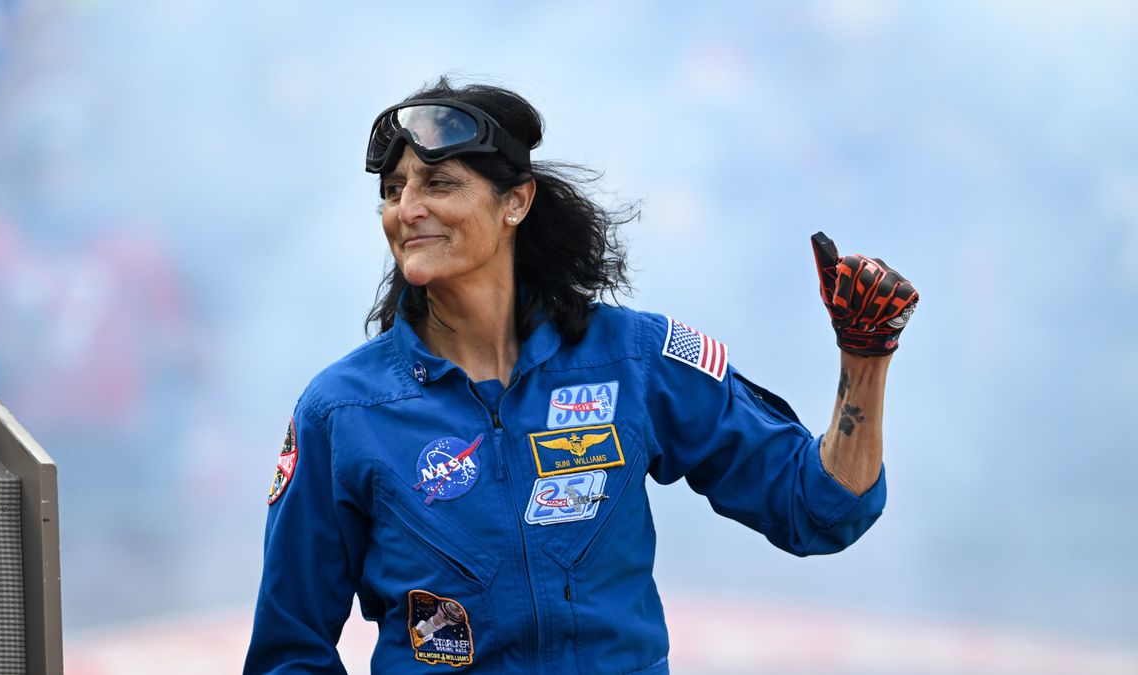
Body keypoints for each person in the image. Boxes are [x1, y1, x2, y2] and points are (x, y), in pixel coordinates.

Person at [244, 78, 918, 674]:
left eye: (438, 183)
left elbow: (820, 509)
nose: (407, 208)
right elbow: (288, 654)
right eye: (393, 191)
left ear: (515, 202)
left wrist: (865, 359)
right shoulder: (341, 411)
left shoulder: (634, 358)